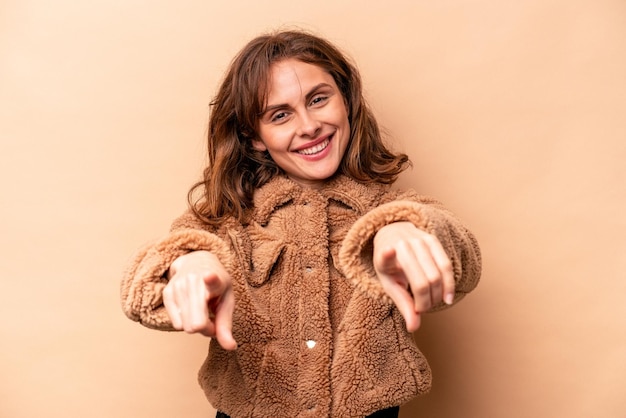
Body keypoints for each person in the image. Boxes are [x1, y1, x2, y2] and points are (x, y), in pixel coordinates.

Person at [121, 29, 481, 418]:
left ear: (345, 101)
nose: (308, 125)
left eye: (319, 99)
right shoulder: (225, 219)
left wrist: (402, 227)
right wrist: (187, 262)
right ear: (254, 136)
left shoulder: (392, 206)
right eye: (280, 115)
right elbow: (142, 288)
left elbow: (462, 252)